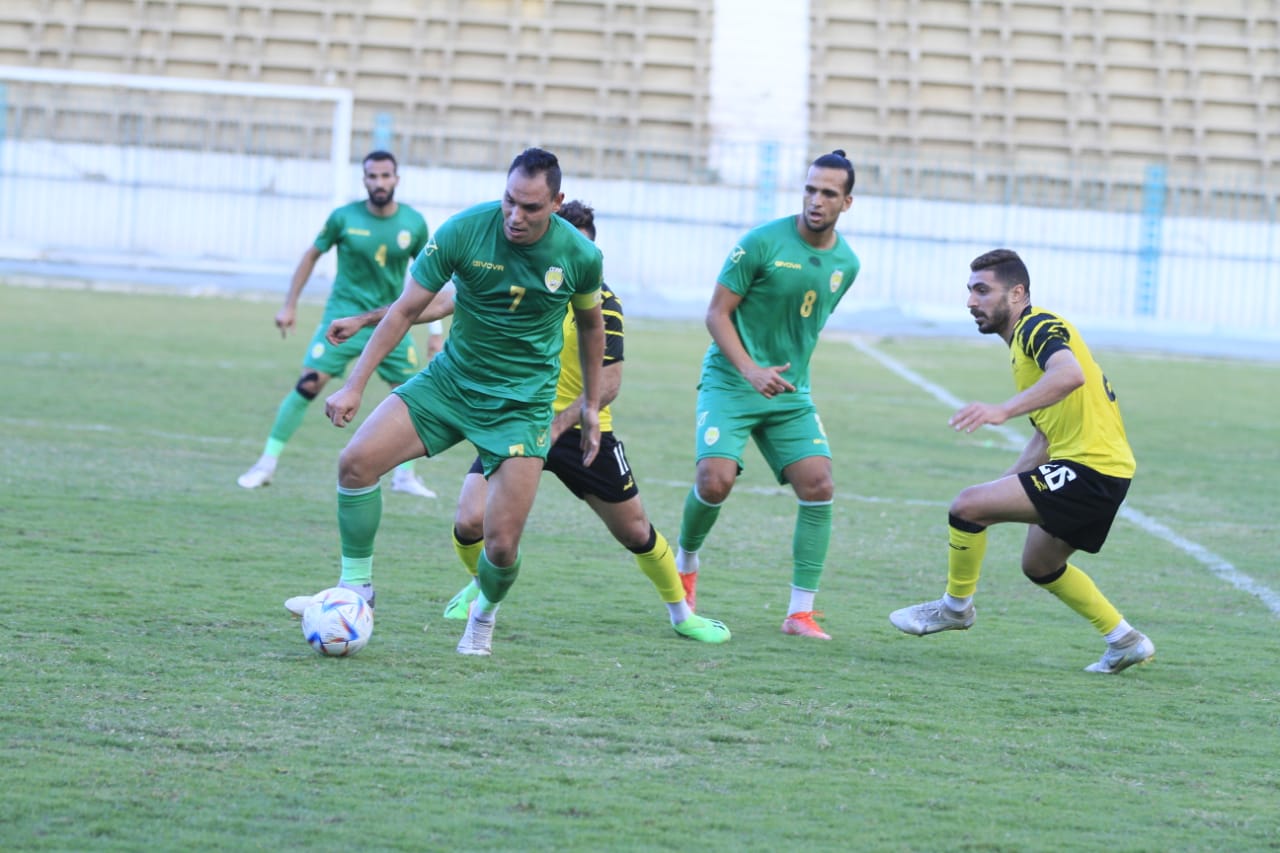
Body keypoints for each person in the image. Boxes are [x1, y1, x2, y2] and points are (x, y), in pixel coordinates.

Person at [323, 201, 730, 644]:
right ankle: (480, 590)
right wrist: (364, 319)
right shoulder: (512, 272)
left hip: (575, 431)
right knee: (470, 522)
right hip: (507, 418)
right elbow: (435, 301)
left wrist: (560, 424)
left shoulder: (602, 303)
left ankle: (682, 614)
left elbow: (610, 382)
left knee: (634, 529)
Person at [289, 147, 607, 658]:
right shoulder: (463, 231)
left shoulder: (579, 255)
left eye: (530, 207)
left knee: (500, 543)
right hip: (450, 384)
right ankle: (355, 590)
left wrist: (589, 405)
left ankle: (482, 617)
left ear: (556, 202)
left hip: (520, 406)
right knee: (356, 462)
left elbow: (592, 328)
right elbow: (406, 309)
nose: (515, 215)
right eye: (509, 200)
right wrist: (354, 384)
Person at [888, 248, 1155, 674]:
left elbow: (1069, 375)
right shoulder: (1022, 346)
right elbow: (1045, 436)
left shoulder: (1036, 325)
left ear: (1016, 293)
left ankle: (955, 608)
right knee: (1040, 564)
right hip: (1102, 470)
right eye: (970, 291)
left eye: (982, 290)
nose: (971, 301)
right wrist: (1000, 488)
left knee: (966, 506)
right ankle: (1124, 640)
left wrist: (1002, 411)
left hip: (1090, 469)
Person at [674, 150, 862, 641]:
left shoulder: (847, 264)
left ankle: (799, 614)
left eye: (828, 193)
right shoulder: (760, 242)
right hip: (732, 380)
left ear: (846, 202)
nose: (815, 200)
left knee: (819, 484)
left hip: (788, 392)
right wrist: (751, 369)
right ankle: (685, 565)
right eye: (810, 189)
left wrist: (780, 374)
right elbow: (716, 314)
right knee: (715, 481)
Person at [237, 150, 437, 498]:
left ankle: (405, 476)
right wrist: (289, 305)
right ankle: (265, 464)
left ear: (396, 179)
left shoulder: (414, 223)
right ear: (364, 180)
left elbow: (431, 279)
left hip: (389, 321)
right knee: (309, 384)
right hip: (342, 320)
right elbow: (311, 255)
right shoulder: (343, 218)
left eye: (385, 176)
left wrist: (435, 332)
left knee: (411, 395)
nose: (379, 182)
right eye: (372, 176)